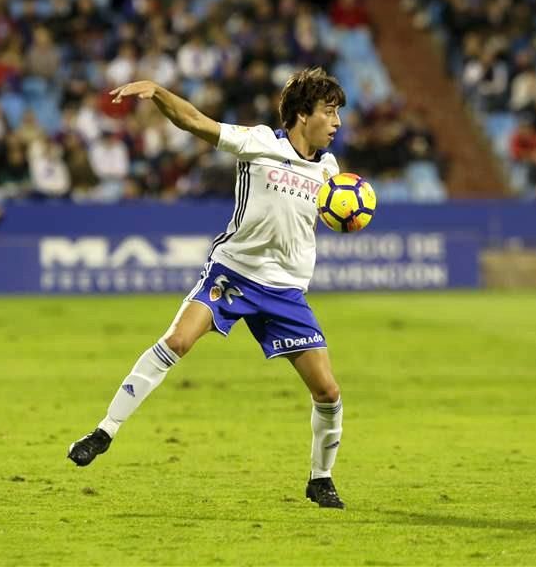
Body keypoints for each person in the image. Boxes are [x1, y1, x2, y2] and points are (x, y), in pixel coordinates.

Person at [67, 67, 348, 509]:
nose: (336, 123)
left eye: (337, 115)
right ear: (300, 115)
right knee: (176, 340)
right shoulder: (259, 143)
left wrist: (348, 215)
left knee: (328, 393)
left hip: (286, 292)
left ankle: (321, 478)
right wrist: (158, 92)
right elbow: (196, 122)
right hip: (233, 274)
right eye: (329, 113)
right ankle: (104, 431)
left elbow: (338, 209)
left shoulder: (329, 168)